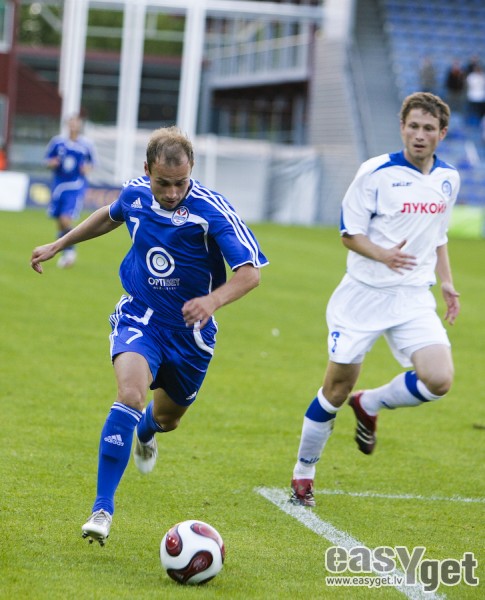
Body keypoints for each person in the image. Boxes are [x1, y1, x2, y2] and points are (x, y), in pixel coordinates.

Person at [31, 126, 268, 544]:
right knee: (129, 395)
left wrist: (211, 301)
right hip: (140, 316)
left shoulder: (212, 209)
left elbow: (250, 274)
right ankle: (102, 509)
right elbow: (110, 215)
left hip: (192, 334)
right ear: (147, 170)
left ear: (192, 171)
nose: (172, 193)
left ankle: (146, 431)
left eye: (180, 183)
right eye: (163, 183)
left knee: (167, 419)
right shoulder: (136, 193)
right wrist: (59, 244)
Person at [289, 92, 460, 507]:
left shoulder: (448, 179)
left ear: (442, 133)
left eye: (428, 128)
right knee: (335, 389)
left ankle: (371, 402)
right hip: (363, 296)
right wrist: (383, 255)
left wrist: (447, 283)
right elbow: (349, 233)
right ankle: (304, 471)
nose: (419, 135)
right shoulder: (375, 172)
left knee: (439, 379)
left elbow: (438, 236)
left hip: (413, 297)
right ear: (402, 128)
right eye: (413, 126)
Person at [44, 114, 96, 268]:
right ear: (67, 124)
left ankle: (70, 253)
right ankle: (65, 251)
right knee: (59, 221)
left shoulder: (86, 145)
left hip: (75, 186)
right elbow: (47, 160)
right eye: (71, 123)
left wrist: (87, 168)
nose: (73, 125)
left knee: (66, 218)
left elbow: (92, 163)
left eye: (76, 123)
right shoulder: (57, 142)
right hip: (58, 185)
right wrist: (52, 163)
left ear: (79, 125)